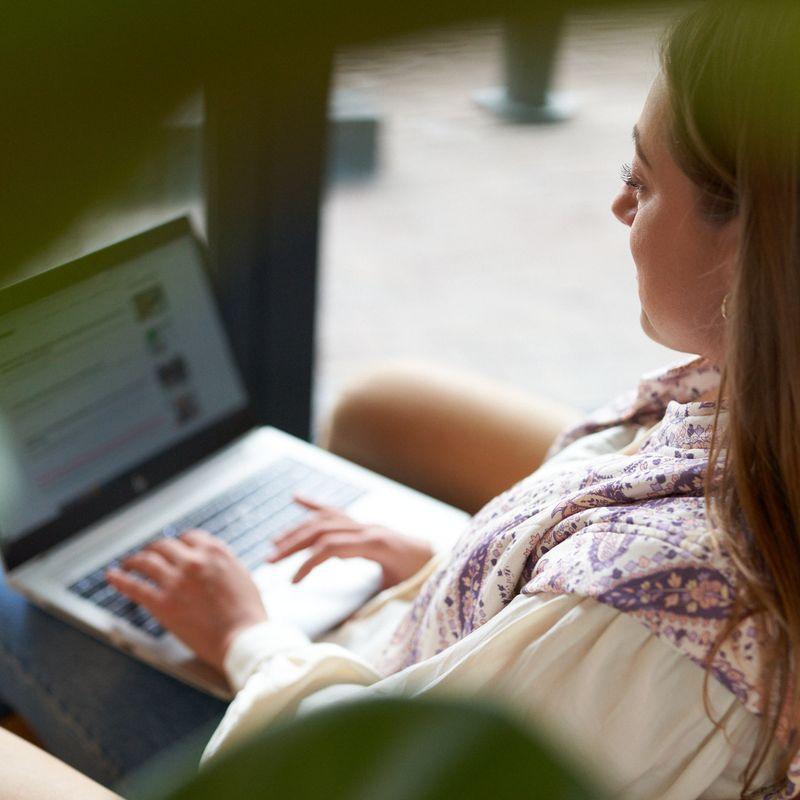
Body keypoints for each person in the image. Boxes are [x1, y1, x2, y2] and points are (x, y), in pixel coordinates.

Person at [2, 1, 799, 797]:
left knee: (14, 610)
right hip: (415, 661)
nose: (620, 207)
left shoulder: (650, 622)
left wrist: (246, 633)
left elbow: (371, 780)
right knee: (373, 408)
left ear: (753, 240)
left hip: (320, 752)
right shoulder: (760, 395)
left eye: (641, 179)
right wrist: (449, 574)